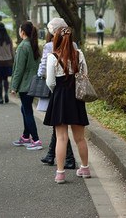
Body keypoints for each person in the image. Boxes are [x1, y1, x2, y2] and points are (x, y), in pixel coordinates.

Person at [43, 26, 90, 184]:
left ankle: (60, 173)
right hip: (76, 97)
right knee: (80, 138)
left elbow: (50, 82)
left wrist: (56, 90)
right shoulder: (79, 54)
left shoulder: (52, 57)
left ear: (55, 39)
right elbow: (85, 75)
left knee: (61, 138)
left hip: (60, 97)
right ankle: (85, 168)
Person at [38, 18, 76, 170]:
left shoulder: (49, 46)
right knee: (59, 125)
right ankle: (52, 155)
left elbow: (44, 68)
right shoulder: (74, 45)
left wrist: (40, 76)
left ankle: (68, 159)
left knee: (59, 124)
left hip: (57, 89)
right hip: (71, 88)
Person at [10, 21, 43, 150]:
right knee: (25, 109)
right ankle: (25, 136)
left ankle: (36, 139)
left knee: (27, 111)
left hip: (25, 84)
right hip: (33, 83)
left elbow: (19, 69)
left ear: (22, 32)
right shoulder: (33, 45)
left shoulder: (23, 46)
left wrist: (14, 86)